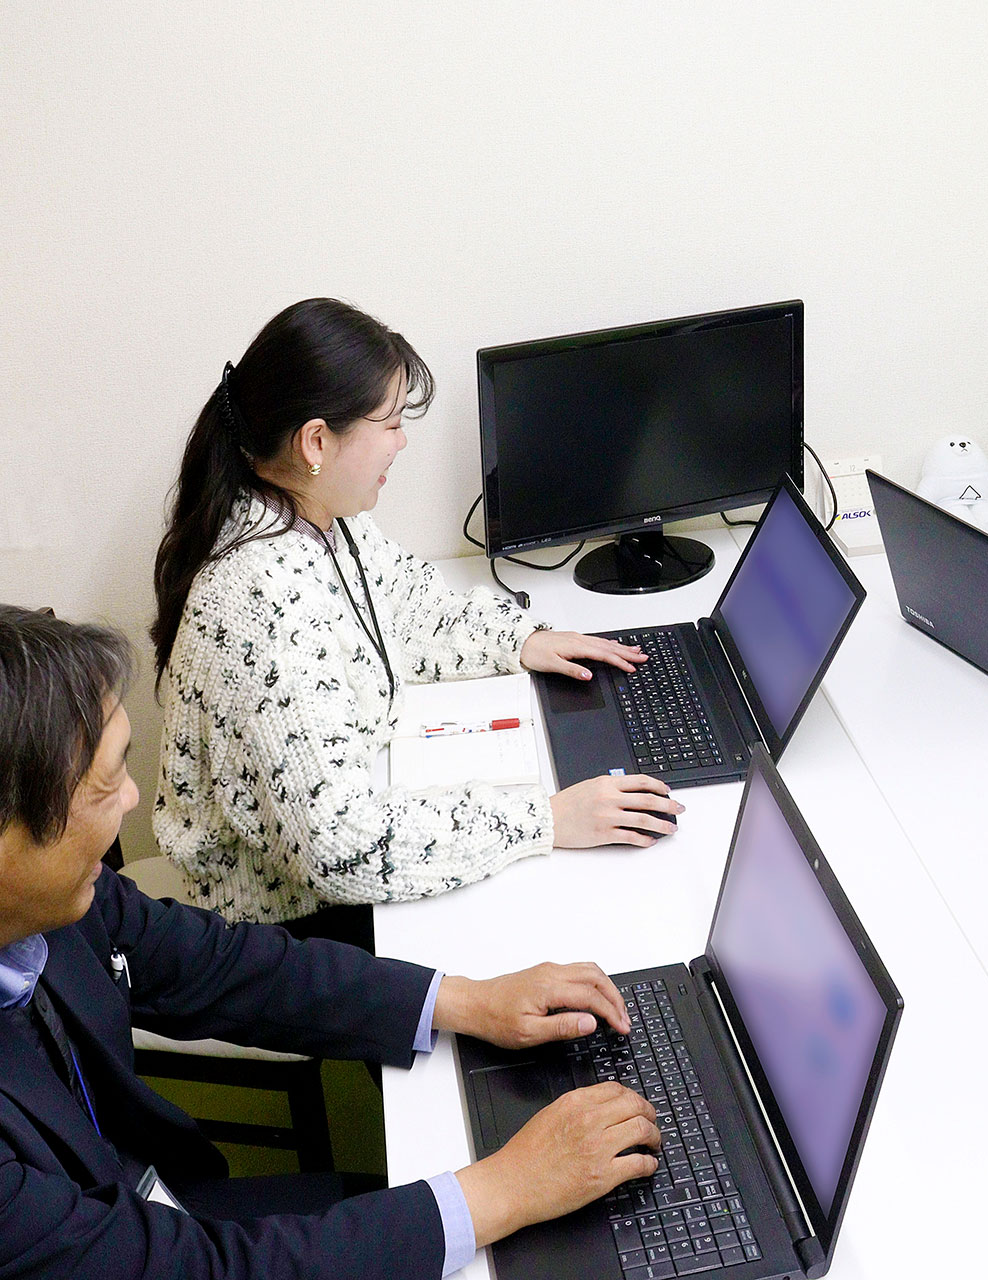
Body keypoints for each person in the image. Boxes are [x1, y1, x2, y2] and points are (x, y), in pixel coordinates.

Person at [0, 605, 662, 1277]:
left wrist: (462, 1001)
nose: (133, 799)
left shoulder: (58, 902)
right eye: (105, 784)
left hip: (150, 1208)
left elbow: (215, 965)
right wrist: (506, 1189)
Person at [151, 298, 682, 939]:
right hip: (281, 932)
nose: (401, 442)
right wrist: (545, 820)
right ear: (317, 441)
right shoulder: (261, 605)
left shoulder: (318, 517)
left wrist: (521, 640)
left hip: (341, 846)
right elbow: (343, 848)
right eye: (392, 422)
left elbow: (409, 605)